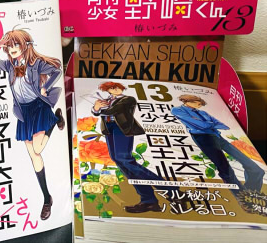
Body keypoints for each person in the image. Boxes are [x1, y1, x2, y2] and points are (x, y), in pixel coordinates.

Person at [0, 30, 64, 221]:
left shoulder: (36, 63)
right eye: (9, 46)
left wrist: (45, 87)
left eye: (16, 44)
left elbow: (57, 71)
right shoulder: (9, 65)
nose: (12, 49)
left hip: (38, 107)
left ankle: (54, 120)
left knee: (37, 148)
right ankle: (47, 199)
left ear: (25, 44)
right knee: (34, 156)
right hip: (23, 112)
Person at [92, 82, 183, 213]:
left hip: (122, 128)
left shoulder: (127, 99)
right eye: (112, 88)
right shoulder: (105, 101)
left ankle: (172, 191)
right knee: (118, 160)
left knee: (125, 159)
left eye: (118, 87)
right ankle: (149, 201)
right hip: (109, 129)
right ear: (107, 90)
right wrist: (96, 108)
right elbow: (97, 113)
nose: (116, 89)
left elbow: (114, 110)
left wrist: (98, 108)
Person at [171, 95, 265, 195]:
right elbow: (201, 125)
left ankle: (250, 193)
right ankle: (241, 196)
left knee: (256, 169)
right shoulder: (177, 110)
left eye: (200, 105)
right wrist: (210, 124)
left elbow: (223, 125)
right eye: (198, 104)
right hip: (204, 138)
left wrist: (208, 123)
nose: (199, 106)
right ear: (188, 101)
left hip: (217, 136)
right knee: (225, 169)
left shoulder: (203, 113)